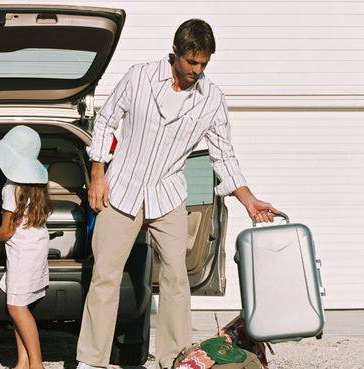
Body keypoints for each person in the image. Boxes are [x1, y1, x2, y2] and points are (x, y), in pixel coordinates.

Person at [76, 19, 282, 369]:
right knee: (105, 275)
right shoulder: (139, 76)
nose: (197, 70)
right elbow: (106, 120)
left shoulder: (212, 99)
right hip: (122, 188)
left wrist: (248, 199)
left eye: (203, 64)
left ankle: (173, 358)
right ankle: (91, 360)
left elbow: (223, 154)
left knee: (176, 277)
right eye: (192, 62)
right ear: (176, 51)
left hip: (168, 194)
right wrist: (98, 174)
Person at [0, 125, 53, 369]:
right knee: (21, 305)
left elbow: (7, 231)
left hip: (22, 253)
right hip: (36, 248)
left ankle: (37, 364)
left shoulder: (10, 187)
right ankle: (23, 362)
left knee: (16, 307)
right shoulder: (35, 186)